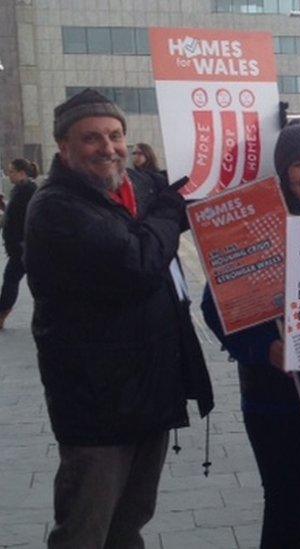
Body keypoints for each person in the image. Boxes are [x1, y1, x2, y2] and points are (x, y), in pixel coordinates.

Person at [24, 88, 214, 548]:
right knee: (86, 531)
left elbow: (197, 185)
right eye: (91, 138)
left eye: (115, 135)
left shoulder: (137, 187)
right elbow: (140, 261)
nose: (107, 148)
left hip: (148, 391)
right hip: (97, 403)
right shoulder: (57, 208)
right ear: (64, 148)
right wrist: (171, 214)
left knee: (129, 525)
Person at [201, 122, 300, 548]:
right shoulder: (255, 226)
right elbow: (215, 309)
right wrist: (265, 349)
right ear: (283, 172)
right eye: (299, 165)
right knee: (287, 502)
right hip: (274, 399)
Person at [0, 158, 39, 329]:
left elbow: (29, 218)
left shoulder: (28, 191)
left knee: (11, 280)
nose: (9, 175)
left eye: (11, 171)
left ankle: (1, 315)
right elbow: (11, 217)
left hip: (24, 248)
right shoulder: (19, 190)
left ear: (22, 172)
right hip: (20, 247)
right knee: (29, 282)